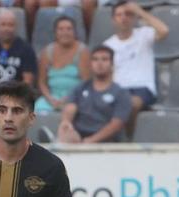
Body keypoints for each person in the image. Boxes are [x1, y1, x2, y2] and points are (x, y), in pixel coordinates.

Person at [103, 1, 167, 133]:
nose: (123, 17)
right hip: (118, 88)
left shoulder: (144, 34)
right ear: (113, 19)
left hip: (142, 88)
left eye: (128, 14)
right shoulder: (108, 45)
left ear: (133, 17)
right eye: (119, 15)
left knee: (132, 103)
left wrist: (139, 11)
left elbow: (164, 30)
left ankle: (128, 137)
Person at [57, 45, 130, 143]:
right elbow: (70, 107)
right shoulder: (80, 88)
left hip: (107, 141)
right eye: (95, 59)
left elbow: (116, 124)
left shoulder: (121, 93)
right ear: (91, 64)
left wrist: (91, 140)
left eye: (104, 59)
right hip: (79, 137)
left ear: (112, 64)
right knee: (67, 135)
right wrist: (66, 121)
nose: (99, 63)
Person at [35, 15, 88, 113]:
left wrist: (68, 98)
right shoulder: (47, 52)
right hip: (52, 98)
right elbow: (42, 82)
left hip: (76, 97)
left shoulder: (82, 51)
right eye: (61, 29)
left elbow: (86, 83)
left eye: (69, 29)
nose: (65, 32)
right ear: (55, 32)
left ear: (75, 32)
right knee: (39, 108)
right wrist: (50, 98)